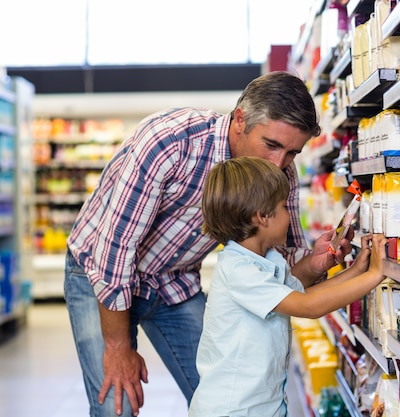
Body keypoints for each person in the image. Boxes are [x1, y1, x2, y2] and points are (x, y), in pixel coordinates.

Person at [64, 71, 355, 417]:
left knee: (224, 395)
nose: (279, 164)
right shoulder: (170, 143)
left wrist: (317, 261)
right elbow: (114, 253)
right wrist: (117, 346)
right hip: (98, 273)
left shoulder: (280, 177)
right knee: (117, 404)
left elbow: (278, 269)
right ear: (240, 119)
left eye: (292, 152)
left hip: (174, 281)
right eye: (272, 145)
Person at [188, 156, 387, 417]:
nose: (289, 214)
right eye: (284, 207)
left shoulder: (266, 258)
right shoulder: (238, 270)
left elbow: (303, 294)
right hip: (233, 410)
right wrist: (374, 275)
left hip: (264, 406)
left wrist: (358, 270)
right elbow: (308, 306)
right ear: (262, 217)